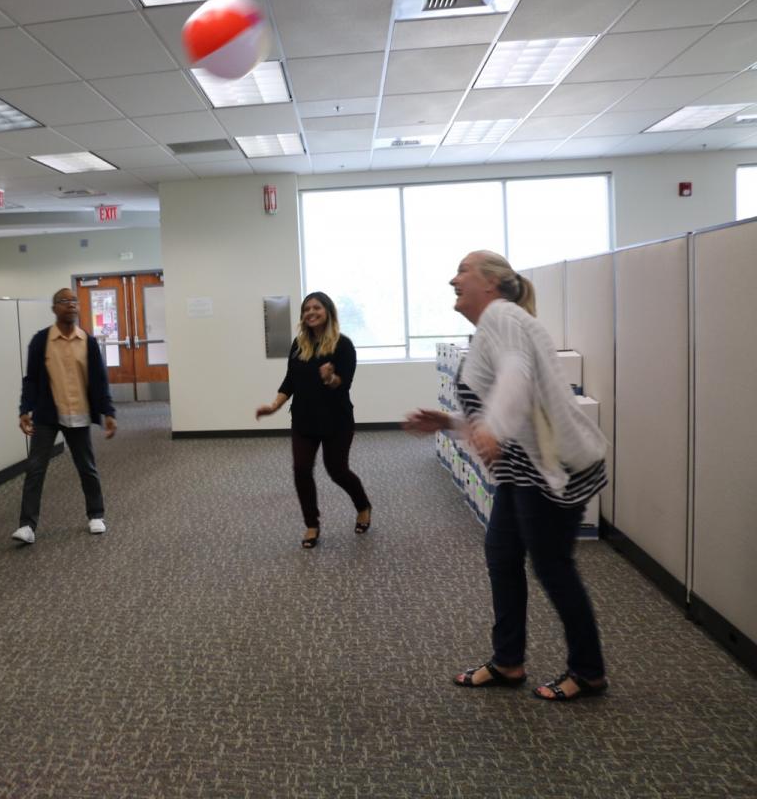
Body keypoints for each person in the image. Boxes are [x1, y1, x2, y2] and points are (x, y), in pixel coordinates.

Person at [404, 250, 609, 702]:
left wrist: (491, 428)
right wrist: (451, 423)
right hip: (521, 472)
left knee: (552, 567)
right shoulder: (491, 328)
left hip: (552, 471)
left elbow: (516, 379)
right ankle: (508, 661)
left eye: (462, 271)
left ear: (491, 284)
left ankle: (589, 671)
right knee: (502, 557)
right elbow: (500, 412)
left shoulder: (504, 318)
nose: (452, 279)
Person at [256, 291, 373, 549]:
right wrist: (274, 405)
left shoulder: (343, 345)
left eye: (316, 308)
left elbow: (343, 385)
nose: (311, 312)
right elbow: (290, 380)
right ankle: (312, 524)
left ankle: (363, 505)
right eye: (306, 309)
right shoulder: (298, 345)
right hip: (304, 419)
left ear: (328, 312)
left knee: (337, 471)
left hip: (336, 420)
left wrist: (329, 377)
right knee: (301, 470)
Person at [14, 288, 117, 545]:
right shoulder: (41, 341)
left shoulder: (88, 342)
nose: (70, 305)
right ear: (54, 309)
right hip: (48, 415)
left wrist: (108, 412)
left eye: (74, 301)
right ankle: (27, 525)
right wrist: (24, 409)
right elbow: (31, 380)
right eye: (64, 301)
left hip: (79, 414)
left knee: (87, 468)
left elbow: (100, 381)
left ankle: (96, 515)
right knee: (35, 469)